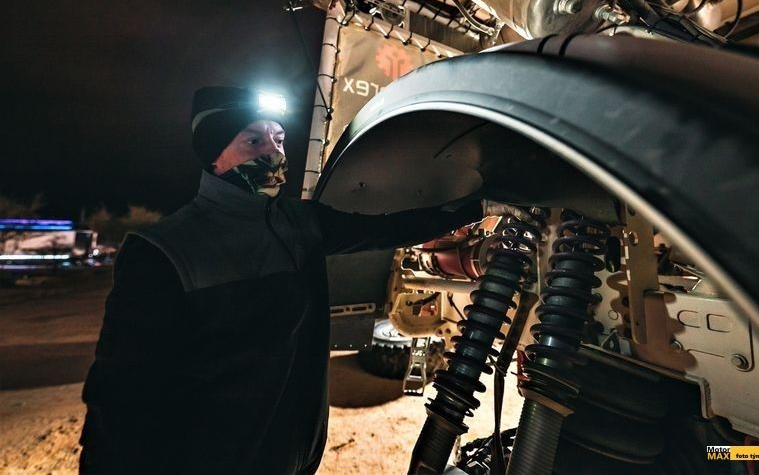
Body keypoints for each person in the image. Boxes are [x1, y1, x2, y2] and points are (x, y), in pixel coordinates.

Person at [79, 86, 527, 474]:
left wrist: (480, 208)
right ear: (213, 154)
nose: (273, 152)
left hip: (294, 458)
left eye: (278, 138)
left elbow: (386, 228)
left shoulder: (299, 222)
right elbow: (120, 395)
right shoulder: (163, 250)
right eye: (253, 140)